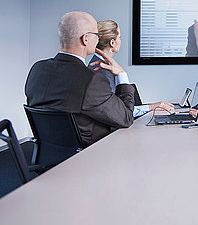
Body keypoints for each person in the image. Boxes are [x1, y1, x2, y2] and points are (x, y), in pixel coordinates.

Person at [25, 11, 136, 146]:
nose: (98, 39)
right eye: (97, 35)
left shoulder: (37, 69)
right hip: (89, 157)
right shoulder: (91, 80)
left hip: (49, 153)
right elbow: (125, 118)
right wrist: (121, 74)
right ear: (86, 39)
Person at [90, 20, 175, 116]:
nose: (120, 41)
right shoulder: (102, 72)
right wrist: (151, 107)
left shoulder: (100, 64)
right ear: (112, 43)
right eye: (119, 37)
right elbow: (118, 112)